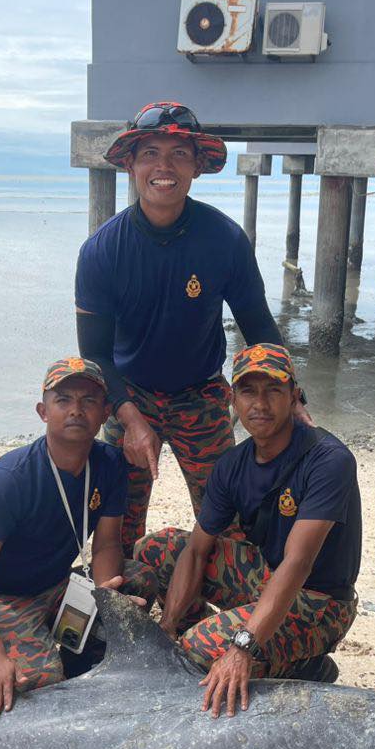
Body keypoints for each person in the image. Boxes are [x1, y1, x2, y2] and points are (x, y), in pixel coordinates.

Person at [75, 100, 308, 555]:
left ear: (198, 166)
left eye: (179, 154)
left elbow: (258, 328)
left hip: (200, 395)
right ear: (131, 166)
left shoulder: (224, 239)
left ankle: (231, 609)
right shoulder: (101, 251)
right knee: (116, 517)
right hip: (130, 394)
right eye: (150, 154)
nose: (164, 167)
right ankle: (124, 599)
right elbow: (95, 357)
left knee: (227, 515)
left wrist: (293, 397)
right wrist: (129, 418)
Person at [135, 344, 361, 718]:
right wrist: (167, 629)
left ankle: (300, 666)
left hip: (321, 602)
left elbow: (298, 562)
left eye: (273, 390)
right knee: (157, 550)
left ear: (294, 396)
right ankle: (208, 643)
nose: (261, 403)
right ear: (232, 399)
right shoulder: (232, 465)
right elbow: (196, 551)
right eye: (248, 391)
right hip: (267, 575)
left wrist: (241, 647)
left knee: (199, 651)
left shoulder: (328, 460)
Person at [0, 357, 156, 717]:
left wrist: (108, 599)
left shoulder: (110, 465)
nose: (76, 410)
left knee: (136, 581)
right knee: (41, 681)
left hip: (55, 584)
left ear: (105, 412)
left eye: (89, 401)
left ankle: (79, 663)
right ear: (43, 411)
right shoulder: (10, 479)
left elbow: (106, 543)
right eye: (64, 400)